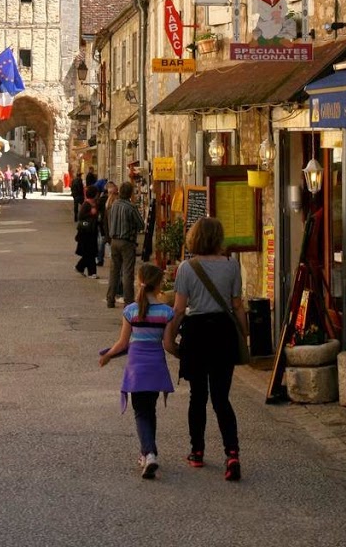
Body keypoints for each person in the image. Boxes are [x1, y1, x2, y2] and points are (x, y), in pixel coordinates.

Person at [163, 217, 247, 482]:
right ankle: (232, 453)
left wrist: (169, 338)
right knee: (221, 398)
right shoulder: (232, 266)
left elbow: (178, 310)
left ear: (195, 238)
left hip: (197, 333)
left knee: (197, 397)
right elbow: (237, 306)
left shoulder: (187, 269)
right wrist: (243, 336)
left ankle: (197, 451)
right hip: (223, 333)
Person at [99, 263, 174, 479]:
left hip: (136, 369)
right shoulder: (166, 312)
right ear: (159, 285)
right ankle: (147, 452)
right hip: (156, 368)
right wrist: (182, 355)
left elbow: (123, 343)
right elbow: (168, 345)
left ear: (139, 281)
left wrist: (108, 355)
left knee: (140, 412)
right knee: (149, 410)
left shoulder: (130, 311)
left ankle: (149, 453)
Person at [106, 182, 144, 308]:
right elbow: (141, 224)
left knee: (114, 271)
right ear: (130, 193)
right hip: (127, 242)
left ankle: (110, 299)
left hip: (114, 241)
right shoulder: (130, 207)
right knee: (127, 272)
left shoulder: (114, 205)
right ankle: (128, 301)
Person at [75, 187, 99, 278]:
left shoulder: (94, 203)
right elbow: (80, 216)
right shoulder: (86, 204)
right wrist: (91, 213)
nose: (98, 195)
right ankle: (92, 272)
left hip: (92, 231)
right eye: (96, 193)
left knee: (90, 253)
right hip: (86, 232)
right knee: (90, 253)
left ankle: (80, 268)